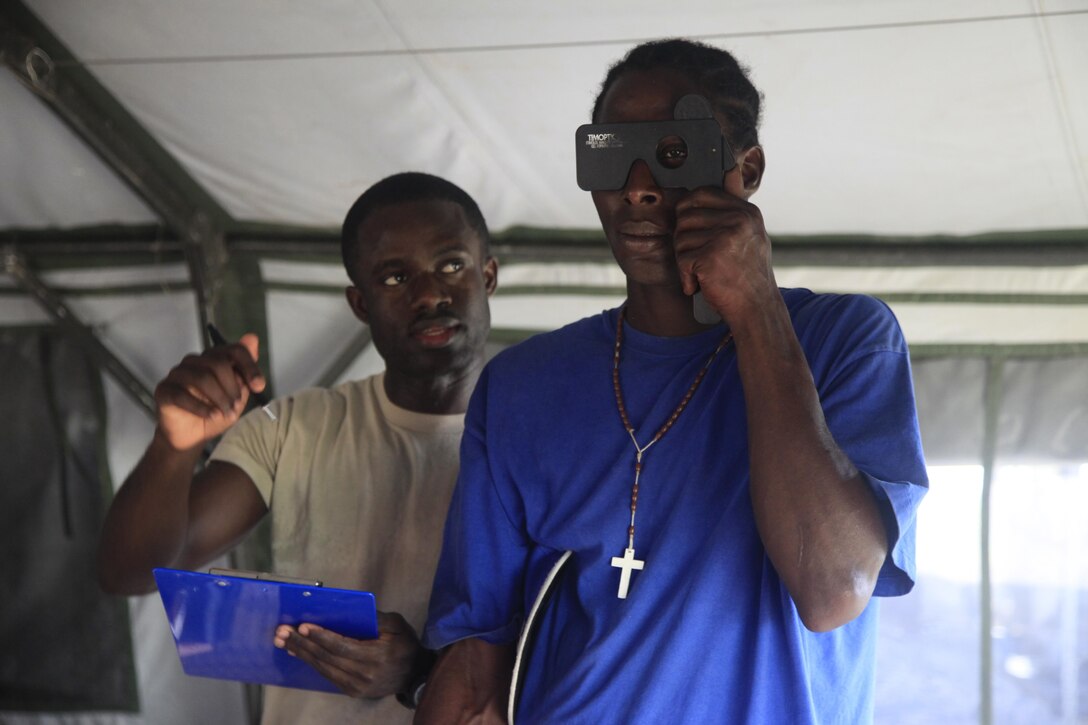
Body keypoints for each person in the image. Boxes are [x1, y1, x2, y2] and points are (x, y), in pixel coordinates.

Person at [417, 39, 928, 724]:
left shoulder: (844, 341)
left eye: (673, 153)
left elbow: (832, 587)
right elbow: (477, 653)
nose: (637, 185)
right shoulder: (521, 387)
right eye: (609, 154)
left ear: (746, 170)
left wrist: (755, 307)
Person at [96, 172, 499, 724]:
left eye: (451, 264)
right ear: (359, 303)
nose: (429, 294)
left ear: (489, 276)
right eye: (395, 276)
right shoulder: (294, 428)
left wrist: (422, 672)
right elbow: (131, 572)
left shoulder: (540, 438)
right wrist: (175, 445)